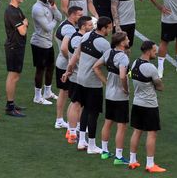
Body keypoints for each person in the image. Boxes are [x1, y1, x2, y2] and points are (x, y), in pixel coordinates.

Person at [65, 16, 113, 153]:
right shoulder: (104, 44)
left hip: (80, 79)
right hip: (92, 82)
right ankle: (91, 145)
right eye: (109, 27)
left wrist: (68, 71)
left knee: (85, 109)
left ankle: (81, 141)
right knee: (93, 113)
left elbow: (75, 56)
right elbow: (110, 63)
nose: (110, 30)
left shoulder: (85, 36)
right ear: (103, 28)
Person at [128, 40, 166, 173]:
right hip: (149, 105)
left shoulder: (134, 63)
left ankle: (132, 160)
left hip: (137, 103)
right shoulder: (150, 68)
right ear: (149, 51)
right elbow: (160, 87)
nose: (156, 53)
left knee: (137, 131)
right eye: (155, 51)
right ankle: (150, 164)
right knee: (152, 133)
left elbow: (130, 76)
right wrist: (159, 82)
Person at [93, 31, 131, 164]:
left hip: (109, 94)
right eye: (126, 39)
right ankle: (119, 157)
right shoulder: (123, 57)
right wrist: (125, 88)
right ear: (121, 43)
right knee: (121, 126)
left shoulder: (109, 52)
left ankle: (104, 151)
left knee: (108, 122)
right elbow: (122, 76)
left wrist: (106, 82)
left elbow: (96, 67)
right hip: (120, 96)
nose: (128, 40)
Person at [30, 0, 63, 105]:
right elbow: (48, 28)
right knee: (40, 70)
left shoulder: (49, 3)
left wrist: (54, 7)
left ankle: (47, 92)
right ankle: (37, 96)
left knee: (50, 67)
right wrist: (54, 19)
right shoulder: (37, 8)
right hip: (39, 43)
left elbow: (60, 17)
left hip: (48, 43)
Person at [62, 15, 92, 144]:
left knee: (75, 103)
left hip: (77, 75)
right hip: (77, 76)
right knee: (76, 104)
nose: (92, 27)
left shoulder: (80, 37)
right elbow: (77, 57)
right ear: (83, 26)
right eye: (90, 25)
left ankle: (71, 129)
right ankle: (73, 132)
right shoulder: (77, 39)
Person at [54, 6, 83, 129]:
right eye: (79, 15)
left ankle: (60, 119)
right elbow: (64, 48)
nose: (81, 17)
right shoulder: (70, 29)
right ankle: (68, 122)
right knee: (72, 95)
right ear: (72, 15)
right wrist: (72, 61)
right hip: (65, 65)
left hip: (60, 62)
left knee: (64, 92)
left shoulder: (64, 23)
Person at [4, 0, 29, 117]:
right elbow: (23, 30)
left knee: (15, 76)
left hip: (18, 46)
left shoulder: (17, 10)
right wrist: (24, 24)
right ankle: (10, 106)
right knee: (13, 76)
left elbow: (26, 23)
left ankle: (12, 103)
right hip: (14, 47)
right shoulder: (12, 12)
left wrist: (24, 23)